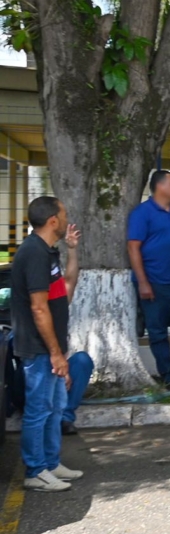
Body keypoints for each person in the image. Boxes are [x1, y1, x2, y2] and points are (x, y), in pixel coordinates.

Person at [13, 197, 87, 492]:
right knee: (39, 409)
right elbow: (38, 308)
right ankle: (35, 471)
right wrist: (56, 353)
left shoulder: (48, 252)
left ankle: (50, 462)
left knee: (55, 407)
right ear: (53, 220)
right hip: (39, 349)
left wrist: (72, 252)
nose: (67, 217)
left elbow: (66, 289)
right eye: (64, 213)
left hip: (52, 348)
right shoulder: (33, 253)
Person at [128, 169, 170, 391]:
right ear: (161, 187)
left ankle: (143, 317)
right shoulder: (142, 213)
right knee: (158, 332)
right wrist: (143, 281)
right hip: (154, 282)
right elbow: (133, 247)